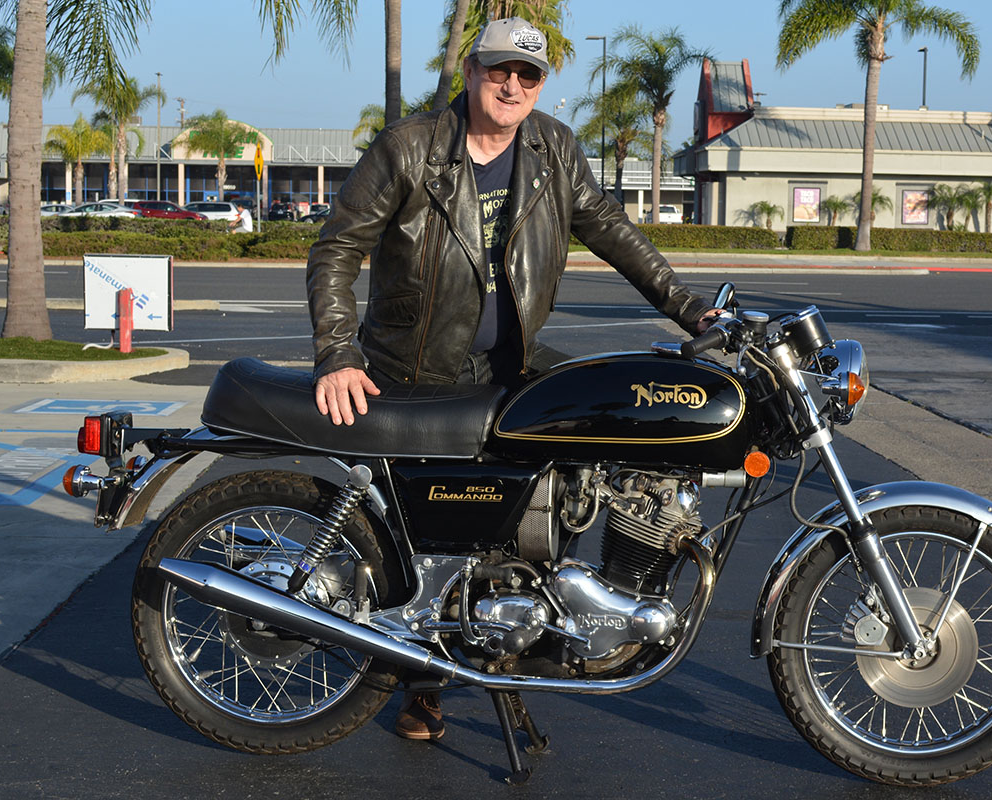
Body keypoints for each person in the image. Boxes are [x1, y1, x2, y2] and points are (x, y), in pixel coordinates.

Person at [304, 17, 721, 741]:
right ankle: (425, 684)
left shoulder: (552, 148)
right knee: (432, 540)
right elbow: (336, 248)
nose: (512, 84)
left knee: (605, 423)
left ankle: (530, 624)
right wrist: (338, 352)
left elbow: (612, 230)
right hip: (414, 370)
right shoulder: (408, 149)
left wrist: (692, 311)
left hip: (510, 364)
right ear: (471, 72)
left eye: (527, 75)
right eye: (500, 70)